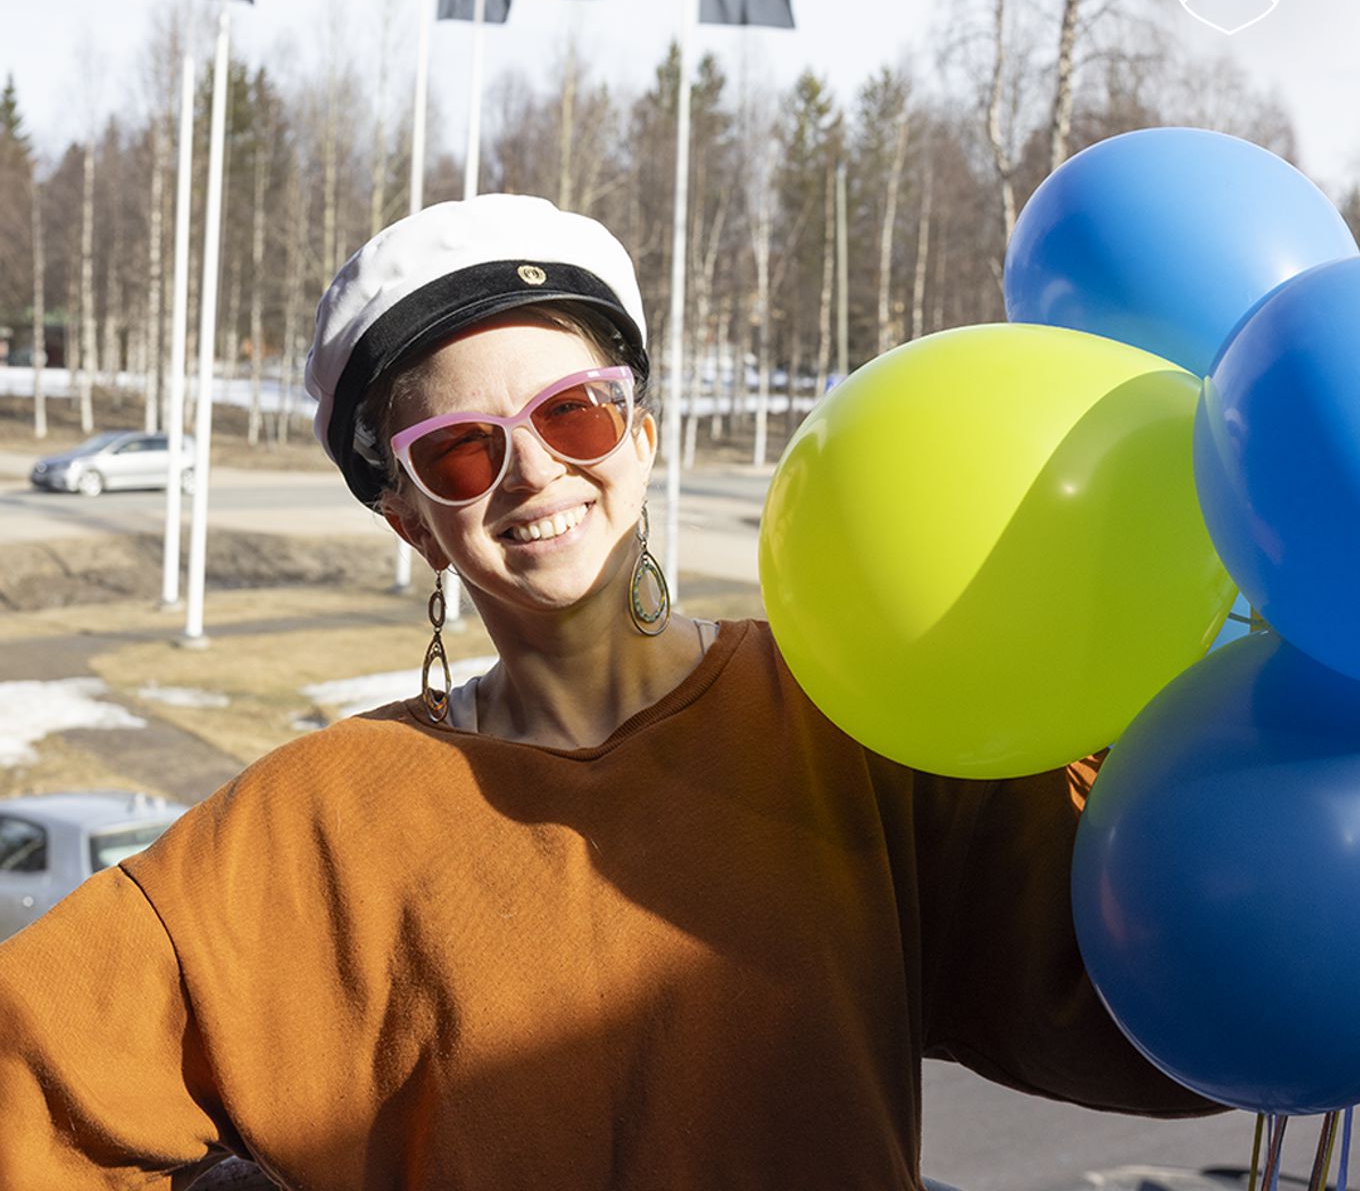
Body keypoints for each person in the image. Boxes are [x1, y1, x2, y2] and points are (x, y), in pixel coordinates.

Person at [0, 195, 1218, 1190]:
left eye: (574, 412)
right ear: (413, 521)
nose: (535, 471)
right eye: (462, 449)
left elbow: (1169, 1006)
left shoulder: (850, 716)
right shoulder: (316, 821)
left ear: (643, 437)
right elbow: (32, 1082)